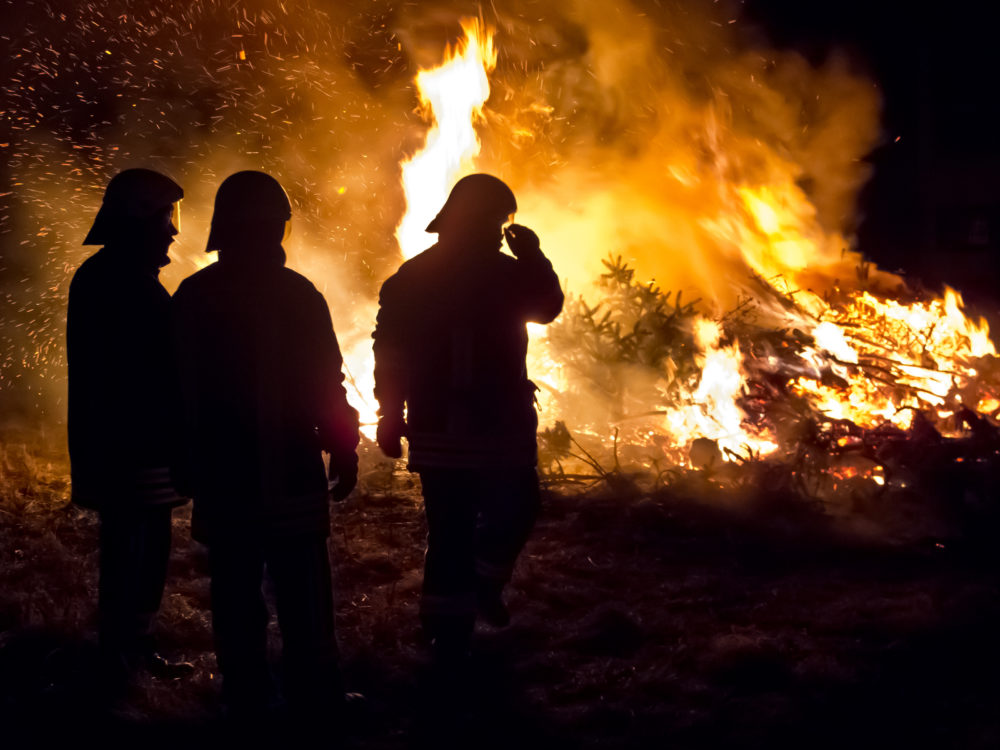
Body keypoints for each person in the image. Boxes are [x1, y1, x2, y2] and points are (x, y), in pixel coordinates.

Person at [171, 171, 360, 720]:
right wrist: (343, 447)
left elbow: (174, 388)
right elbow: (327, 383)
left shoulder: (194, 295)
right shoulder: (297, 294)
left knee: (233, 589)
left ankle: (245, 692)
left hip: (222, 473)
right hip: (290, 471)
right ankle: (316, 692)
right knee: (304, 590)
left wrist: (183, 458)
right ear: (275, 226)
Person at [372, 173, 563, 668]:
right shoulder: (495, 275)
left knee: (473, 524)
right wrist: (534, 257)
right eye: (496, 222)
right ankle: (452, 627)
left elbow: (544, 311)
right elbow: (548, 305)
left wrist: (391, 414)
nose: (499, 231)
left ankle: (463, 607)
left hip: (469, 425)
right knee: (475, 522)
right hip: (478, 425)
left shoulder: (415, 277)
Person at [66, 168, 193, 691]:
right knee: (130, 549)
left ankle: (133, 648)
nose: (173, 230)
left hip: (139, 446)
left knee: (149, 545)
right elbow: (149, 371)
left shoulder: (122, 277)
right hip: (128, 448)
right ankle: (117, 659)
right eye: (165, 216)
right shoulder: (119, 283)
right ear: (138, 218)